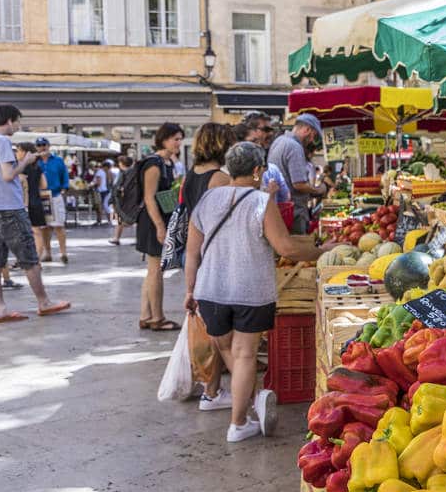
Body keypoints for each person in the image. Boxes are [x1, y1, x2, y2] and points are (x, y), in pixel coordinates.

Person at [184, 141, 339, 441]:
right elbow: (286, 247)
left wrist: (189, 289)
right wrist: (323, 252)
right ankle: (238, 423)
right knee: (243, 356)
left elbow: (192, 253)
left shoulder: (207, 200)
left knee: (228, 349)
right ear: (257, 171)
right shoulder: (259, 202)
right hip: (249, 291)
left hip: (210, 289)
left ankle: (248, 407)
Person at [0, 105, 70, 323]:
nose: (18, 126)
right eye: (18, 122)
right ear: (10, 121)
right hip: (8, 206)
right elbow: (8, 175)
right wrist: (26, 162)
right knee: (28, 256)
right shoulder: (1, 142)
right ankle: (44, 302)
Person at [181, 123, 236, 411]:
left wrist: (190, 287)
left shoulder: (191, 176)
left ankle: (211, 390)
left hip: (197, 255)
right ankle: (231, 396)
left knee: (212, 330)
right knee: (222, 335)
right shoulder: (220, 179)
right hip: (218, 259)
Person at [138, 122, 184, 331]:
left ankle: (146, 315)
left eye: (180, 139)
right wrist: (159, 227)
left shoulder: (167, 163)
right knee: (157, 270)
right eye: (175, 139)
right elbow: (149, 198)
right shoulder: (154, 164)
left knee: (152, 270)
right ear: (164, 139)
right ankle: (157, 317)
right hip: (152, 221)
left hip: (158, 220)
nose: (179, 143)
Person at [267, 114, 327, 234]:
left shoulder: (278, 141)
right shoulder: (295, 147)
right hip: (294, 211)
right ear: (307, 130)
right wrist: (319, 190)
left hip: (278, 207)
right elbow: (299, 184)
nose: (311, 140)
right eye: (313, 136)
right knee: (298, 247)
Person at [36, 137, 69, 263]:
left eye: (44, 144)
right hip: (40, 196)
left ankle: (63, 253)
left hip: (55, 195)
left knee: (59, 225)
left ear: (48, 145)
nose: (42, 147)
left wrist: (64, 188)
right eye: (39, 145)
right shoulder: (35, 161)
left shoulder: (58, 161)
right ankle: (47, 252)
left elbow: (64, 175)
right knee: (44, 227)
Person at [16, 142, 49, 259]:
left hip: (22, 203)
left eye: (18, 150)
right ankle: (38, 259)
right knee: (37, 231)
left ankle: (23, 259)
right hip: (36, 201)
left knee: (22, 233)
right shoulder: (37, 167)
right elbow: (44, 185)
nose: (16, 153)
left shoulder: (19, 168)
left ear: (25, 152)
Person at [109, 156, 135, 245]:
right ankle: (117, 238)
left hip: (123, 201)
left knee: (120, 219)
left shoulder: (124, 173)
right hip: (130, 200)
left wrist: (112, 200)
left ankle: (116, 238)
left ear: (122, 164)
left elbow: (117, 188)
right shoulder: (133, 173)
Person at [91, 159, 111, 226]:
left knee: (101, 207)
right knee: (103, 206)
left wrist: (91, 185)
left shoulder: (99, 172)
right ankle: (102, 221)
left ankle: (101, 221)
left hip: (101, 191)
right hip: (103, 191)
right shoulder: (102, 172)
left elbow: (98, 183)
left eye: (93, 168)